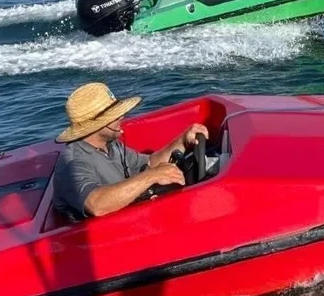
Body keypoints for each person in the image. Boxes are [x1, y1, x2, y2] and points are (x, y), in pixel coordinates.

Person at [52, 82, 209, 218]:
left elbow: (150, 162)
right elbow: (96, 205)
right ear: (97, 125)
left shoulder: (111, 145)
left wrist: (182, 140)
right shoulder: (72, 162)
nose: (122, 117)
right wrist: (152, 176)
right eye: (114, 115)